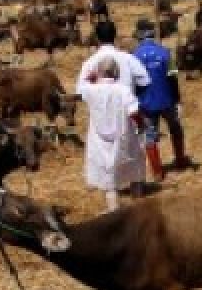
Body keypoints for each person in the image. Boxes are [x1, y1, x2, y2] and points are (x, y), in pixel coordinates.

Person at [78, 57, 145, 211]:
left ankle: (114, 211)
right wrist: (141, 124)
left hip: (99, 141)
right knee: (134, 170)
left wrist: (93, 76)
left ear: (100, 72)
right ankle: (138, 207)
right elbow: (134, 111)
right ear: (117, 72)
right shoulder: (122, 90)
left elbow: (83, 85)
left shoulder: (90, 90)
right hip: (123, 137)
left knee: (109, 180)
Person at [131, 18, 191, 181]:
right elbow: (173, 77)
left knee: (149, 137)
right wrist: (177, 100)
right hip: (167, 100)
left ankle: (157, 172)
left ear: (139, 36)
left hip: (146, 103)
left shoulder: (133, 56)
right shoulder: (165, 52)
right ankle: (180, 160)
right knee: (176, 128)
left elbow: (133, 83)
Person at [76, 19, 150, 94]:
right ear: (115, 36)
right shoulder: (129, 59)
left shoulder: (89, 63)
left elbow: (80, 91)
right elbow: (144, 81)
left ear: (97, 38)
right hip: (126, 104)